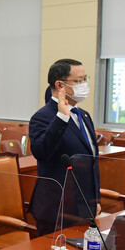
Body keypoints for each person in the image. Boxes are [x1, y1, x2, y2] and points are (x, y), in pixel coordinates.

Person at [29, 58, 100, 235]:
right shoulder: (42, 117)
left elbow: (91, 162)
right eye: (78, 81)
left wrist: (95, 199)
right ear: (60, 85)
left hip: (84, 206)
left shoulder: (83, 115)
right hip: (58, 208)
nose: (83, 85)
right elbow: (41, 151)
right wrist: (61, 116)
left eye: (85, 79)